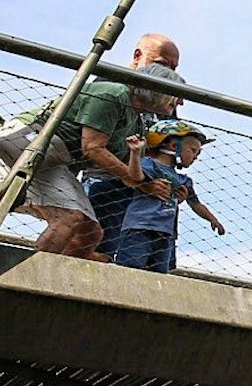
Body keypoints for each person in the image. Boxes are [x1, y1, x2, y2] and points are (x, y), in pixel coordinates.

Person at [0, 64, 185, 259]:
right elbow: (92, 148)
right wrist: (140, 182)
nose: (182, 102)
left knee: (90, 231)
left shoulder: (137, 124)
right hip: (31, 143)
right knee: (69, 218)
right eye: (177, 93)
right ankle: (29, 276)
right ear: (158, 88)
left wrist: (151, 186)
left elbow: (130, 175)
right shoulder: (112, 94)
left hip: (57, 159)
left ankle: (56, 279)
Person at [85, 33, 181, 258]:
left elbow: (170, 142)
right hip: (108, 183)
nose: (169, 72)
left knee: (138, 259)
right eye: (162, 64)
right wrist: (139, 181)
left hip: (149, 196)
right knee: (94, 248)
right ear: (138, 55)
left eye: (173, 68)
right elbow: (94, 147)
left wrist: (172, 182)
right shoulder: (110, 86)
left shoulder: (165, 98)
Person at [111, 119, 225, 273]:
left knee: (158, 273)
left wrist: (213, 219)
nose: (196, 157)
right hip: (139, 227)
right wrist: (135, 153)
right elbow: (135, 177)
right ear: (173, 146)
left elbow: (196, 204)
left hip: (166, 233)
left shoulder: (184, 180)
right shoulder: (149, 164)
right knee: (130, 269)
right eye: (193, 150)